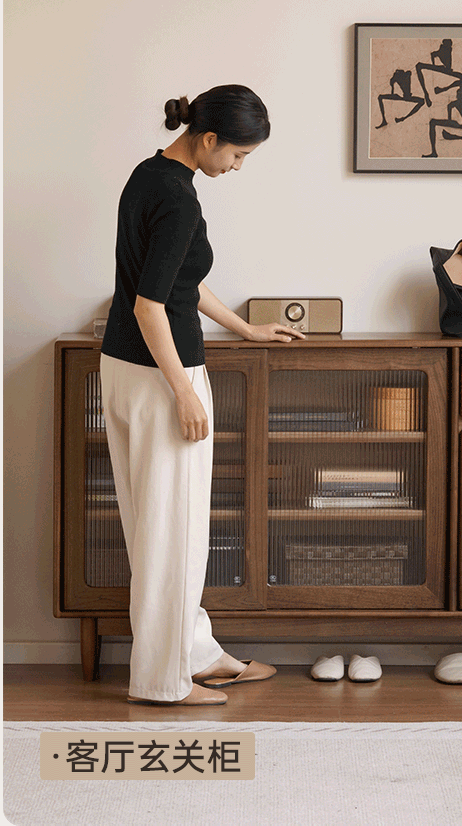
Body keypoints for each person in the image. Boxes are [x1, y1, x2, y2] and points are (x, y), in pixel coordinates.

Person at [100, 85, 304, 705]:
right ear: (209, 139)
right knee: (175, 532)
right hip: (163, 373)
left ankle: (196, 654)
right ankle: (163, 682)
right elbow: (150, 303)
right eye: (239, 156)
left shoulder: (151, 175)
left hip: (125, 366)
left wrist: (243, 327)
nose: (238, 168)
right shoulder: (179, 200)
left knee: (156, 526)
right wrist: (184, 392)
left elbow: (179, 281)